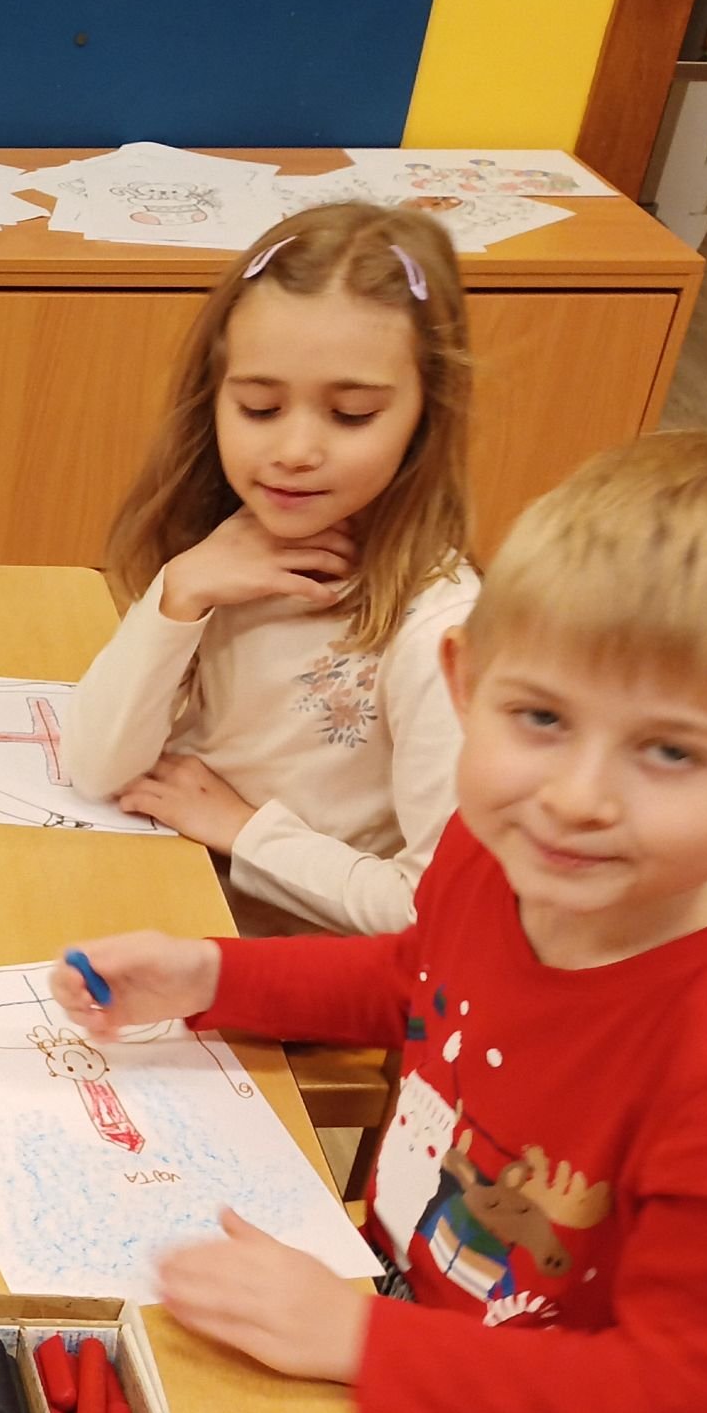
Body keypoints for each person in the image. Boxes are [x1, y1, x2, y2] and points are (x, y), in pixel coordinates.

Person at [54, 433, 707, 1413]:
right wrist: (214, 975)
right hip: (390, 1339)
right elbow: (417, 980)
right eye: (540, 717)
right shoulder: (495, 851)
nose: (575, 794)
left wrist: (363, 1343)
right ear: (465, 682)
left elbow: (692, 1396)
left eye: (668, 750)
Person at [70, 204, 480, 934]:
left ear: (425, 417)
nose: (294, 452)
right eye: (259, 408)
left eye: (351, 415)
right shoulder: (223, 549)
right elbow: (97, 767)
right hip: (171, 893)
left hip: (294, 958)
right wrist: (180, 591)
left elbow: (434, 916)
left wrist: (245, 830)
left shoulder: (438, 632)